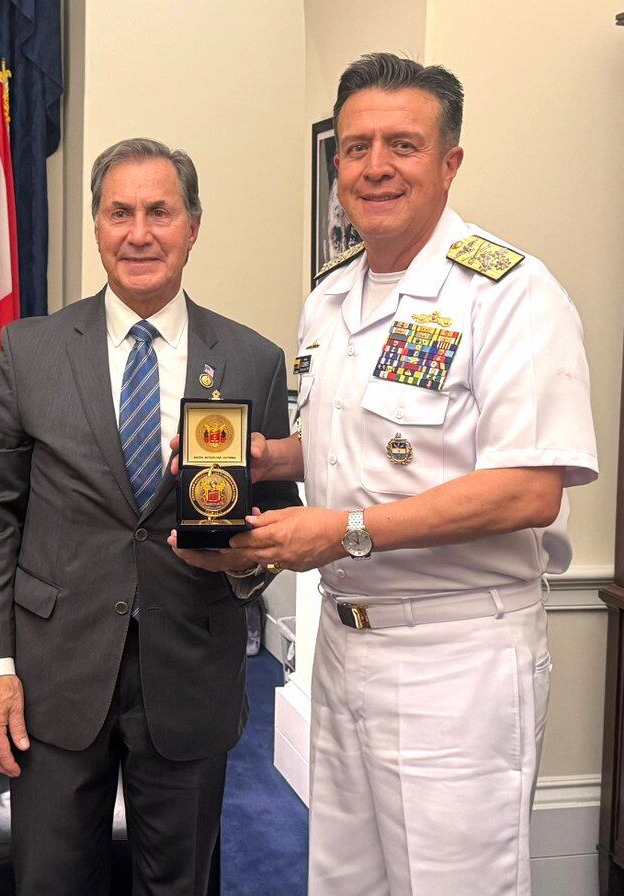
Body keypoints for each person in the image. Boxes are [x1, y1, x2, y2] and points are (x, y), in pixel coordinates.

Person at [171, 52, 598, 896]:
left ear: (450, 162)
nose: (375, 167)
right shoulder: (332, 298)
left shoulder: (509, 295)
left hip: (458, 654)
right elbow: (356, 442)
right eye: (357, 146)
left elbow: (529, 487)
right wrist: (268, 460)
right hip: (344, 645)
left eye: (402, 145)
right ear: (338, 165)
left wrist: (346, 532)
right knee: (347, 881)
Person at [0, 137, 300, 896]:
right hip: (53, 674)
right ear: (96, 224)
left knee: (178, 884)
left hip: (190, 668)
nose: (138, 233)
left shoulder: (251, 359)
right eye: (120, 212)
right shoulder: (32, 349)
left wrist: (248, 564)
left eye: (159, 212)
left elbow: (278, 517)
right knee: (50, 881)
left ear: (193, 225)